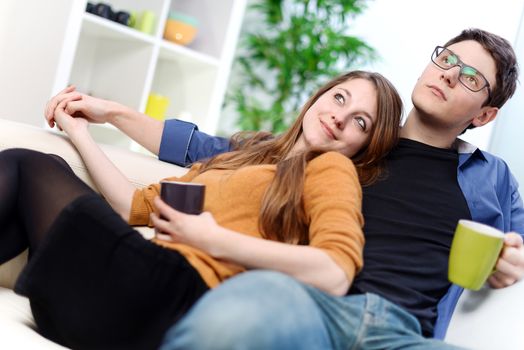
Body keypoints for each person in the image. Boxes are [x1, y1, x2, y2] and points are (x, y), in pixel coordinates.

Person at [46, 28, 524, 349]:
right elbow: (223, 150)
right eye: (446, 58)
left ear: (485, 115)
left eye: (469, 77)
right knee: (239, 315)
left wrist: (512, 261)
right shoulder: (355, 139)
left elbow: (517, 249)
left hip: (405, 334)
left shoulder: (493, 179)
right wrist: (113, 114)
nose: (447, 73)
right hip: (313, 304)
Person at [1, 71, 402, 349]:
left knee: (27, 165)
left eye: (360, 122)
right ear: (318, 97)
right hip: (127, 291)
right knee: (47, 167)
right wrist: (82, 131)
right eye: (339, 98)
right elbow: (132, 206)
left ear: (366, 145)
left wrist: (214, 240)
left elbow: (335, 273)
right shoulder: (249, 156)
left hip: (170, 298)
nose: (339, 116)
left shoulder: (331, 169)